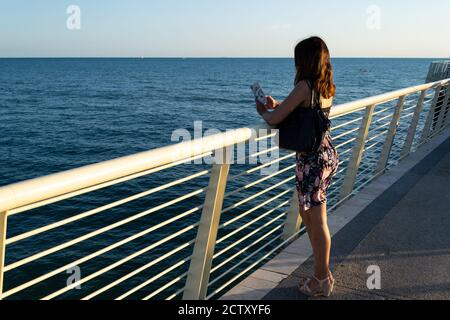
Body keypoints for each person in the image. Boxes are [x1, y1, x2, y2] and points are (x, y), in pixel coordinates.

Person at [255, 36, 339, 297]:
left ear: (303, 60)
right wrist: (279, 103)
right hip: (324, 154)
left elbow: (275, 120)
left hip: (311, 160)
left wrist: (263, 110)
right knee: (309, 216)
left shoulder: (304, 85)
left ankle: (322, 278)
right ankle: (322, 273)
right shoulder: (325, 87)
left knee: (317, 220)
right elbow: (305, 113)